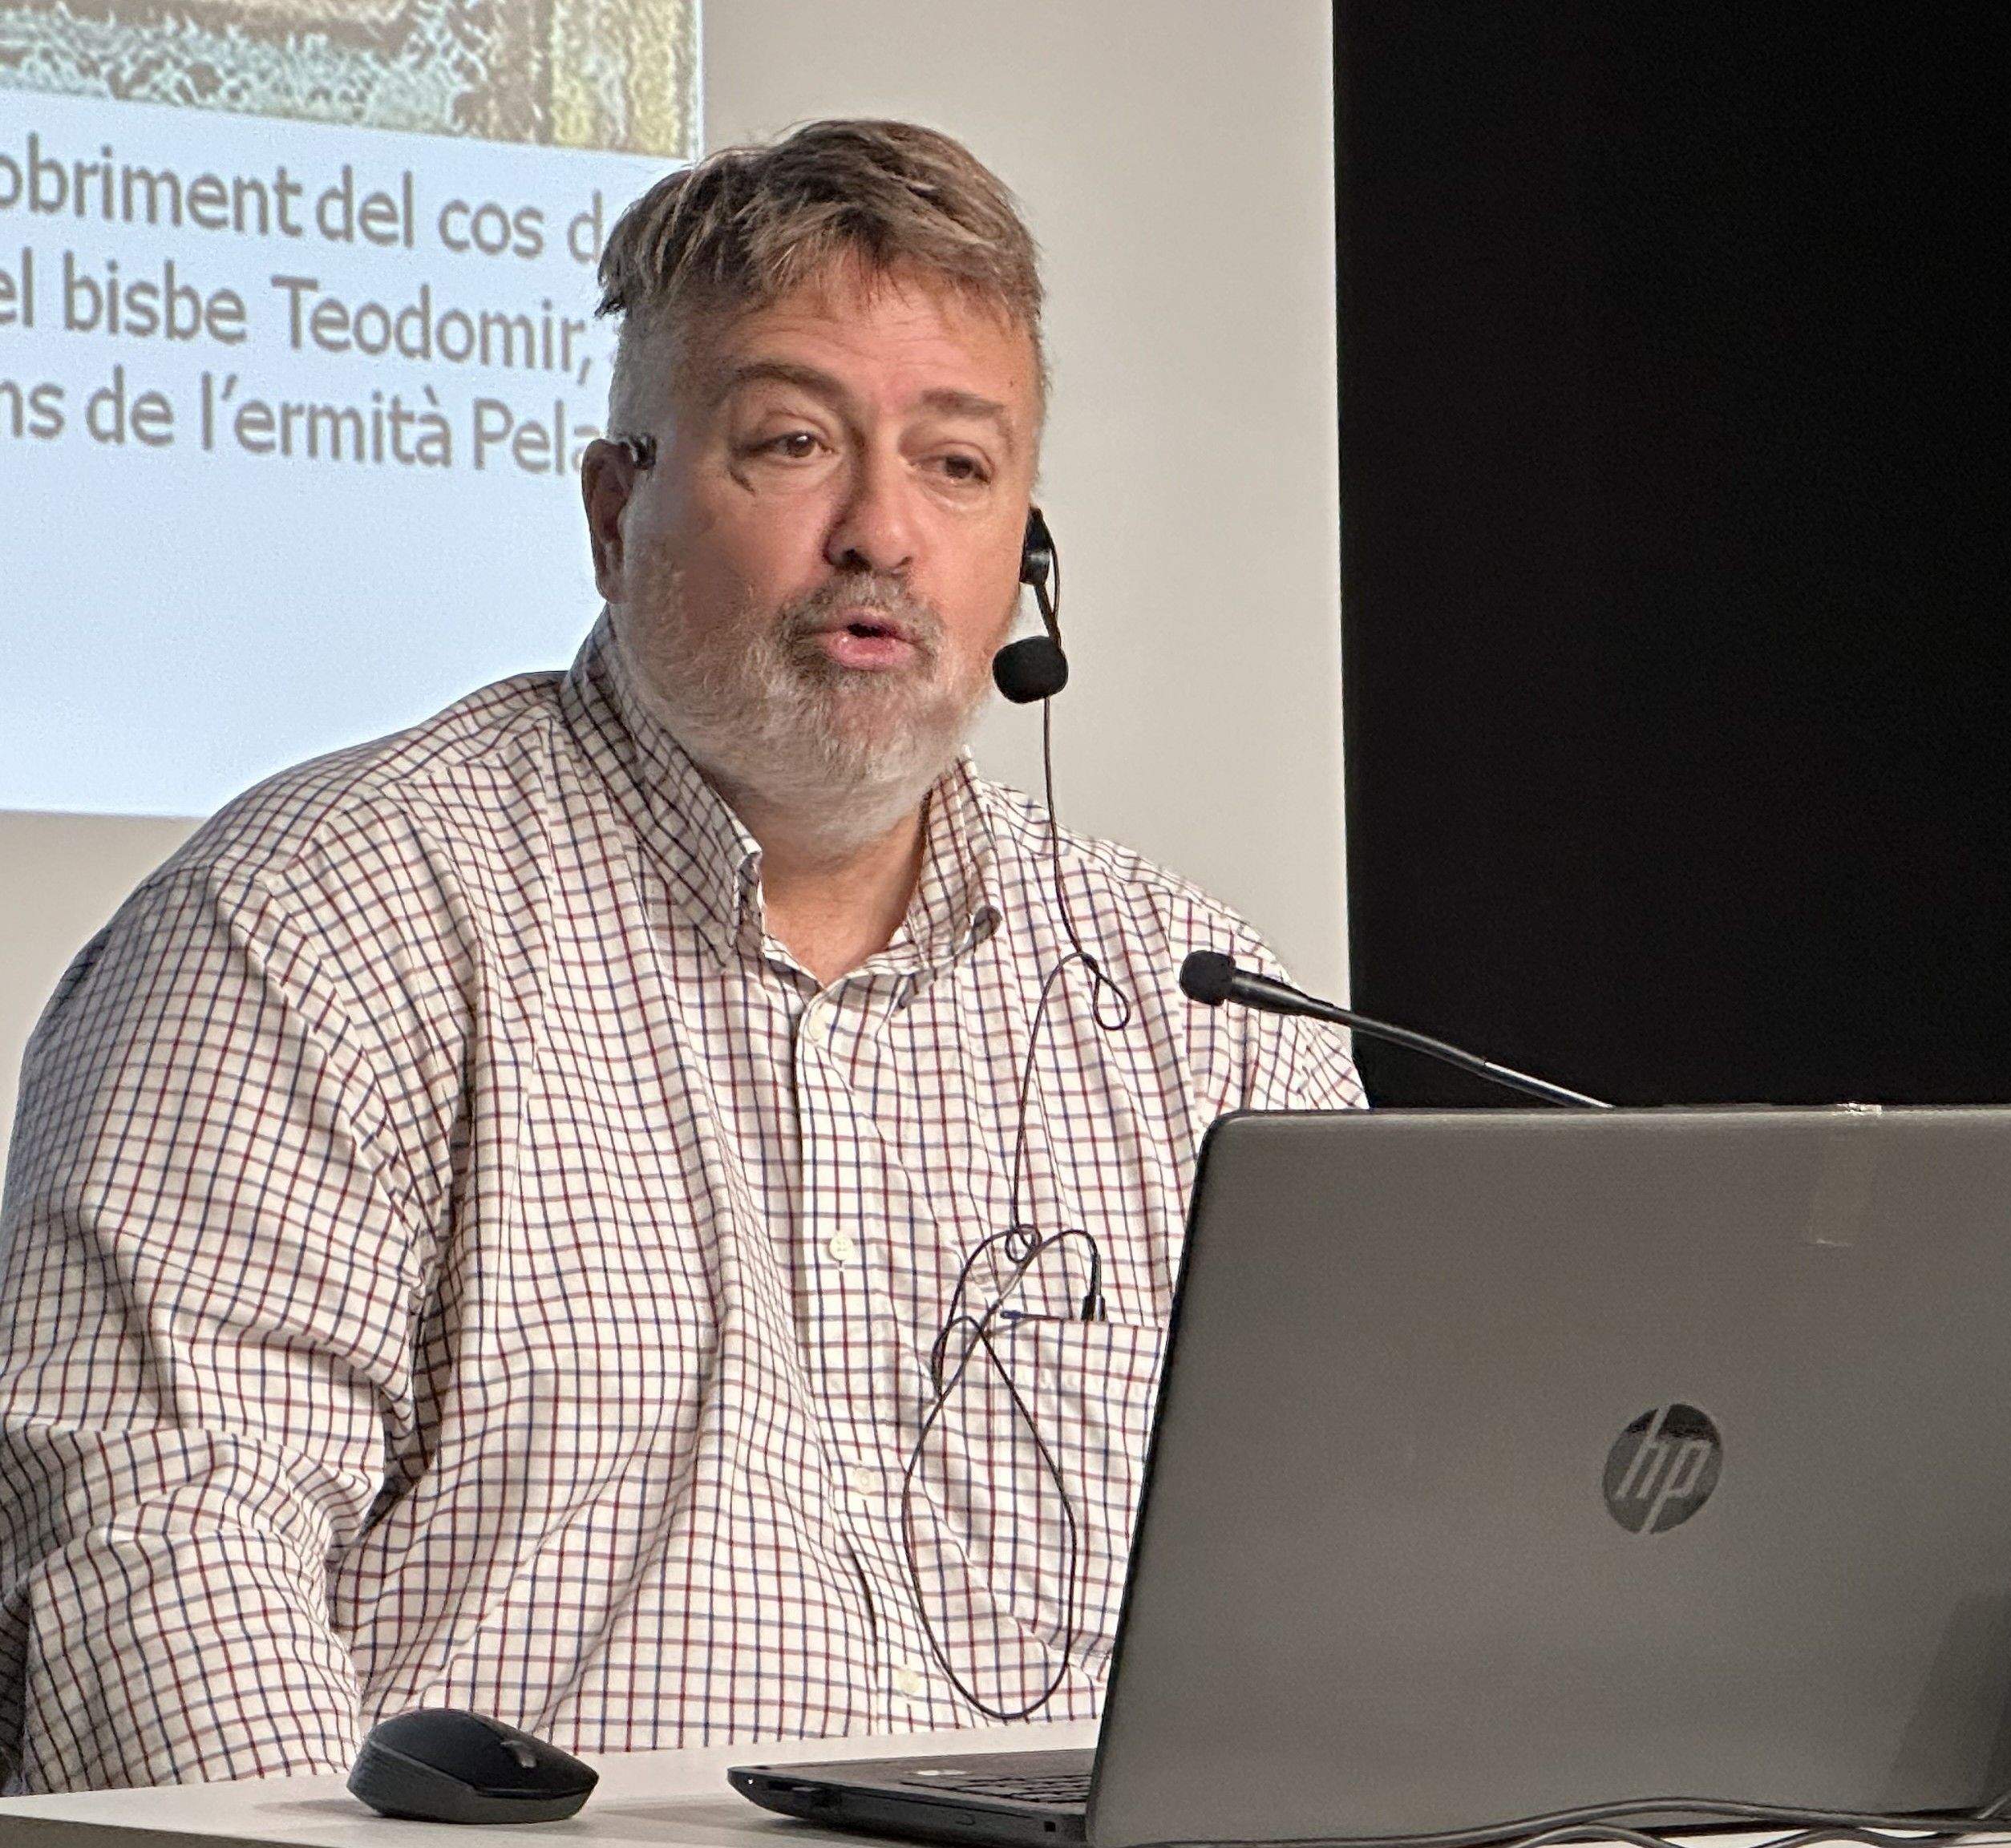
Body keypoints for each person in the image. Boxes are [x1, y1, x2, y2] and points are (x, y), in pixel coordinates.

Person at [0, 119, 1363, 1793]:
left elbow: (1353, 1591)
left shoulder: (1202, 1007)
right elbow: (158, 1553)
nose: (881, 530)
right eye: (793, 442)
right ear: (613, 506)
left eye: (957, 464)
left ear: (1028, 553)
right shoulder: (317, 921)